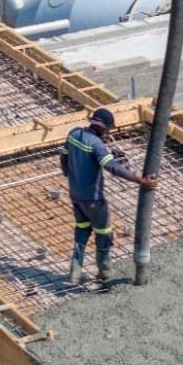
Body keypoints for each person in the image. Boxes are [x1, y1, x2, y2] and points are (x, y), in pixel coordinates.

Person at [59, 107, 156, 284]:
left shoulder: (73, 134)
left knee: (82, 229)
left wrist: (68, 173)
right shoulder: (97, 145)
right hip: (94, 200)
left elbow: (64, 156)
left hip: (76, 195)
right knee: (104, 232)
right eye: (107, 129)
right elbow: (112, 166)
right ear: (101, 127)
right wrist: (139, 180)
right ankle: (104, 271)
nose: (107, 132)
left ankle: (75, 270)